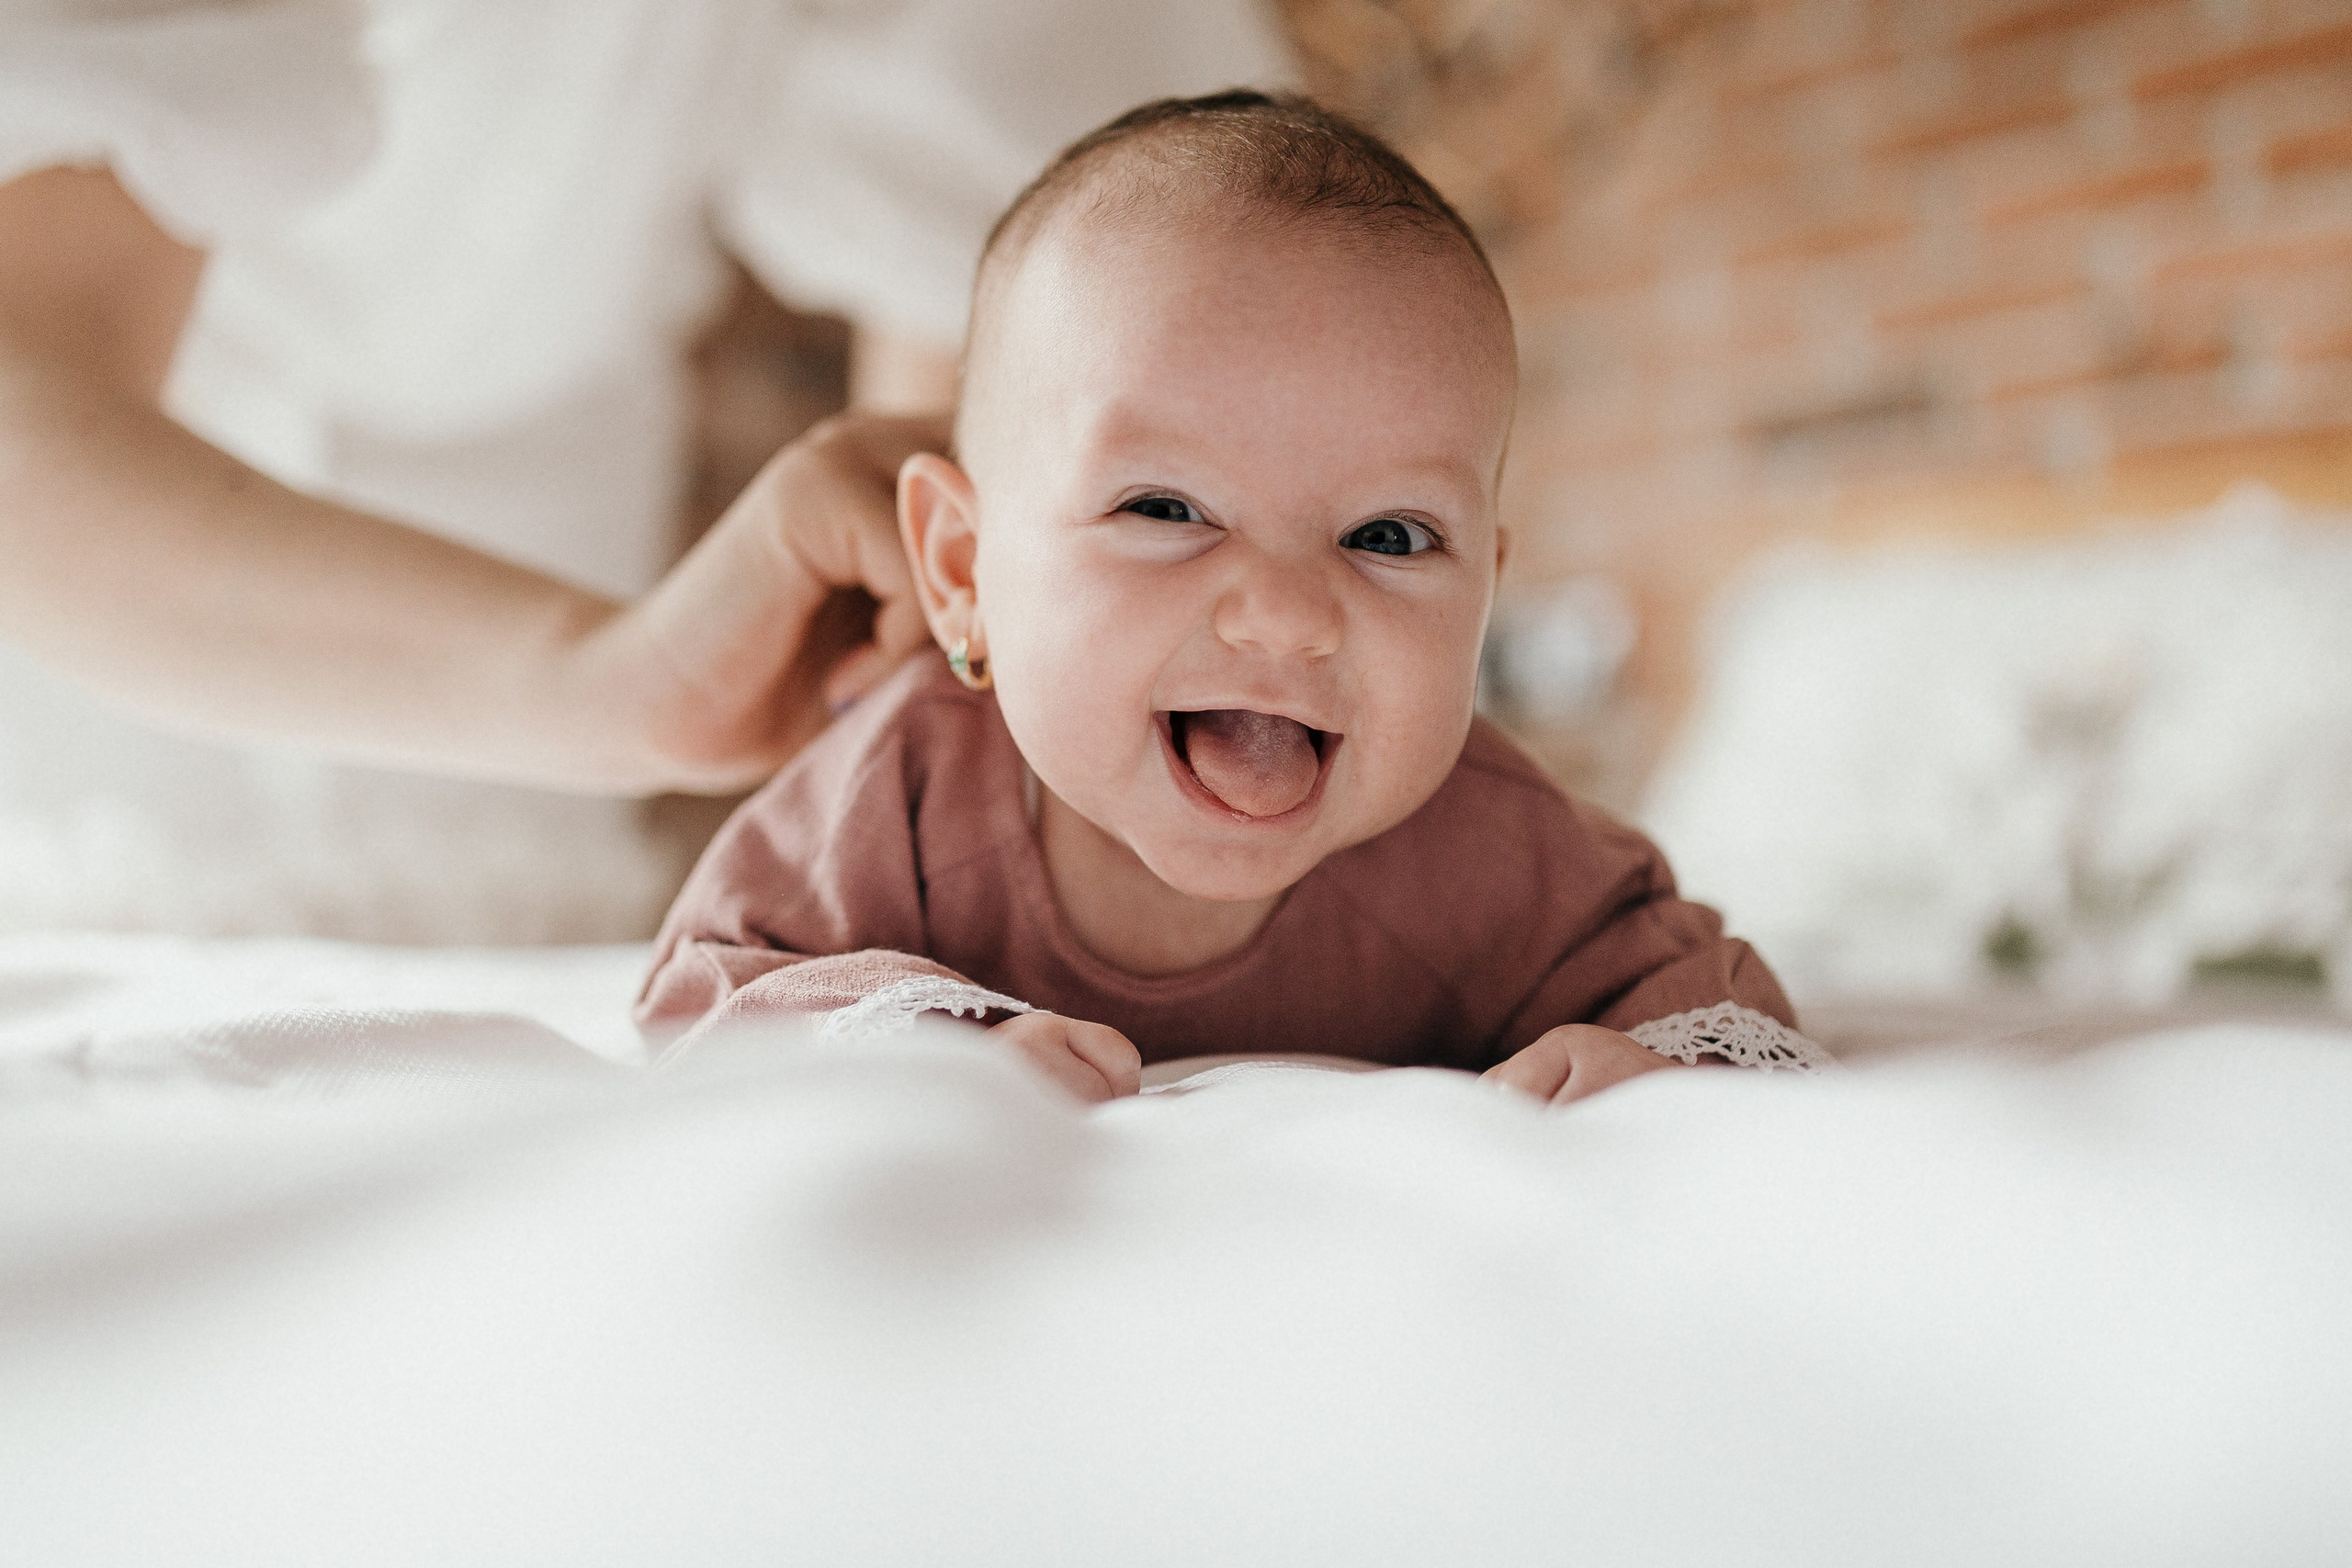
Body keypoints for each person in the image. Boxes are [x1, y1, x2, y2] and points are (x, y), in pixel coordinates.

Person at [0, 0, 1289, 941]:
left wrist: (946, 777)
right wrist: (606, 680)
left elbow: (1019, 304)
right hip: (87, 670)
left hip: (538, 817)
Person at [638, 93, 1832, 1103]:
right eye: (1166, 510)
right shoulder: (901, 788)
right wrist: (939, 1044)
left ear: (1484, 595)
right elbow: (708, 984)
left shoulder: (1494, 846)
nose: (1287, 613)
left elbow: (1718, 1003)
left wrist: (1645, 1068)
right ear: (962, 571)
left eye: (1390, 536)